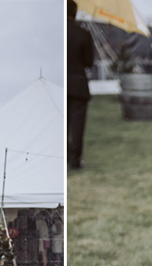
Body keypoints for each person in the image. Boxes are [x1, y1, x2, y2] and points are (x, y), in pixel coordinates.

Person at [67, 0, 94, 170]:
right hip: (77, 84)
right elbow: (89, 61)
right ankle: (74, 159)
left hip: (63, 84)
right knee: (77, 124)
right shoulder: (83, 34)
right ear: (75, 12)